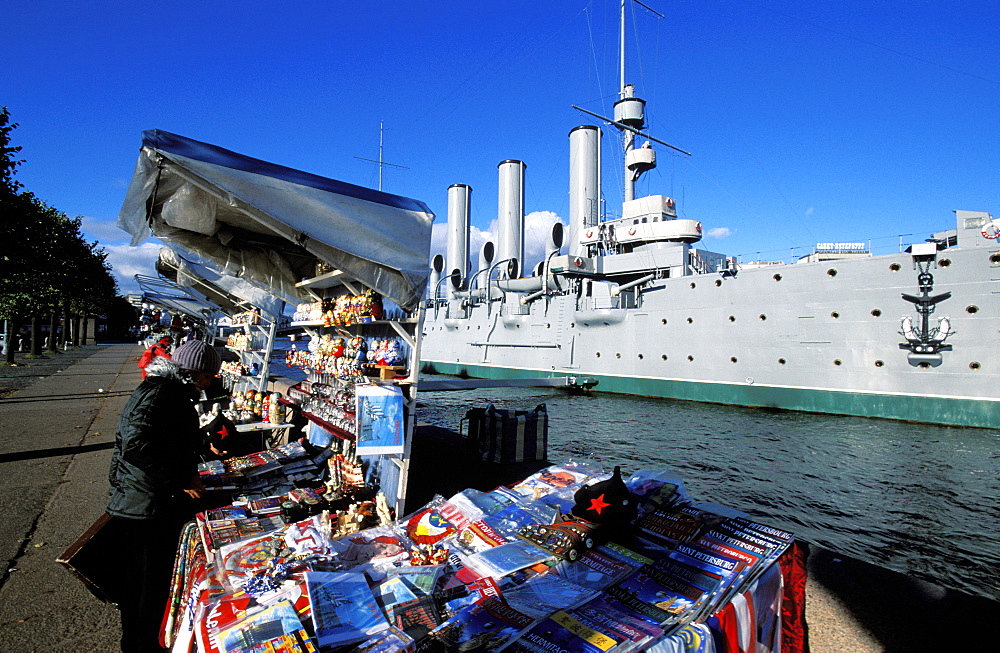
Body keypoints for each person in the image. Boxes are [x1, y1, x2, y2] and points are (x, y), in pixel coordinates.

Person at [107, 339, 221, 652]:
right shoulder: (161, 394)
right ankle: (141, 645)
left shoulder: (165, 390)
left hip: (145, 498)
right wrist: (179, 479)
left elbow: (165, 437)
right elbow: (137, 445)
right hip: (144, 504)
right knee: (146, 583)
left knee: (144, 582)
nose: (209, 383)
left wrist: (200, 448)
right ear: (195, 373)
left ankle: (140, 641)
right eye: (208, 377)